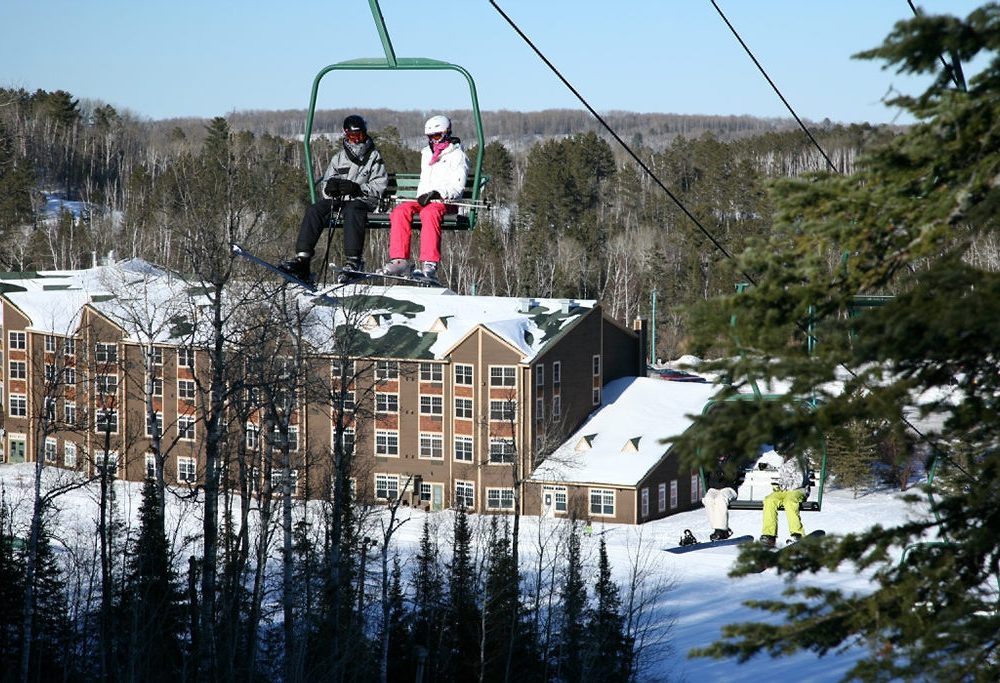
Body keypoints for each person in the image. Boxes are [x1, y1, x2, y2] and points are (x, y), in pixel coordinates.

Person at [280, 114, 388, 283]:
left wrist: (358, 189)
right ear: (346, 135)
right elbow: (326, 184)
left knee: (353, 210)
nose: (357, 140)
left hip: (364, 202)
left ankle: (354, 261)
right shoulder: (339, 158)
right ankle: (303, 258)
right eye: (353, 136)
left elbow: (379, 186)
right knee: (315, 210)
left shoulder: (374, 157)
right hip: (340, 200)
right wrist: (331, 189)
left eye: (360, 135)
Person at [377, 114, 469, 284]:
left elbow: (458, 187)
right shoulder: (427, 154)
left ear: (447, 133)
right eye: (430, 137)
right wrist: (423, 196)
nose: (434, 140)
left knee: (430, 213)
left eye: (437, 136)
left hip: (445, 201)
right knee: (400, 211)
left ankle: (429, 264)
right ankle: (399, 260)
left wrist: (437, 193)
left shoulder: (457, 155)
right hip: (424, 199)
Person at [759, 450, 811, 547]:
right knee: (769, 500)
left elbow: (800, 480)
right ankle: (769, 535)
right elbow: (783, 471)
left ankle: (797, 534)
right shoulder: (784, 460)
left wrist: (784, 488)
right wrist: (767, 467)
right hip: (784, 491)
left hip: (798, 490)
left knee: (789, 501)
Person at [702, 455, 746, 541]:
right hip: (714, 489)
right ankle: (719, 529)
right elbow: (708, 475)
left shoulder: (732, 459)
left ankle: (721, 530)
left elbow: (732, 475)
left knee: (720, 499)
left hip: (728, 488)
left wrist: (720, 473)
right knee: (708, 499)